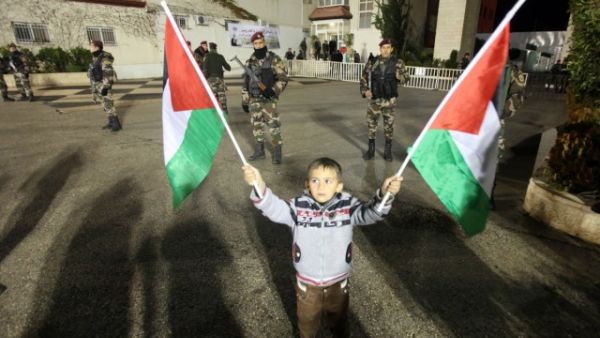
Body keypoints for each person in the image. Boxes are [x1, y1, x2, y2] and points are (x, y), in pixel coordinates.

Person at [242, 157, 403, 338]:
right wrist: (259, 184)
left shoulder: (348, 206)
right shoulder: (298, 207)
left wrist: (385, 193)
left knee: (340, 323)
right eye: (315, 180)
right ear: (307, 184)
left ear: (339, 186)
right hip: (307, 285)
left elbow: (372, 213)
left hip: (338, 283)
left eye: (328, 181)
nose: (321, 186)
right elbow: (274, 208)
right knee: (307, 325)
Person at [241, 31, 289, 164]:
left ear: (264, 42)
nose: (258, 45)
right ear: (253, 45)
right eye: (256, 43)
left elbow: (283, 79)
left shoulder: (274, 59)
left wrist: (273, 91)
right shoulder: (249, 62)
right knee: (257, 126)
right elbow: (245, 83)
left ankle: (277, 153)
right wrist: (245, 100)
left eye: (260, 42)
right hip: (254, 100)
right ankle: (260, 151)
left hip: (269, 101)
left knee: (273, 125)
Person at [359, 39, 410, 161]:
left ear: (391, 49)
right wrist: (365, 91)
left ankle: (388, 151)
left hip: (389, 101)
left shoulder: (398, 62)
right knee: (372, 125)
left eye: (388, 47)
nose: (385, 50)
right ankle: (371, 150)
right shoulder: (373, 62)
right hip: (374, 100)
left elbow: (407, 77)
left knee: (389, 127)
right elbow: (363, 78)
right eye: (383, 48)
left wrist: (400, 77)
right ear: (380, 49)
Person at [88, 40, 121, 131]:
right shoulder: (96, 57)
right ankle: (110, 121)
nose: (89, 47)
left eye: (91, 45)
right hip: (98, 84)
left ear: (97, 47)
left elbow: (108, 73)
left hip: (104, 84)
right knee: (105, 104)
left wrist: (106, 87)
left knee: (109, 103)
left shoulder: (104, 58)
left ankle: (116, 124)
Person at [202, 42, 231, 114]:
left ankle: (213, 114)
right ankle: (225, 111)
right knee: (222, 96)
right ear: (216, 48)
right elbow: (228, 68)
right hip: (219, 79)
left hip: (210, 80)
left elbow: (205, 69)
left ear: (210, 48)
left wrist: (204, 80)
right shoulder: (220, 56)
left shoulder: (206, 56)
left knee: (213, 98)